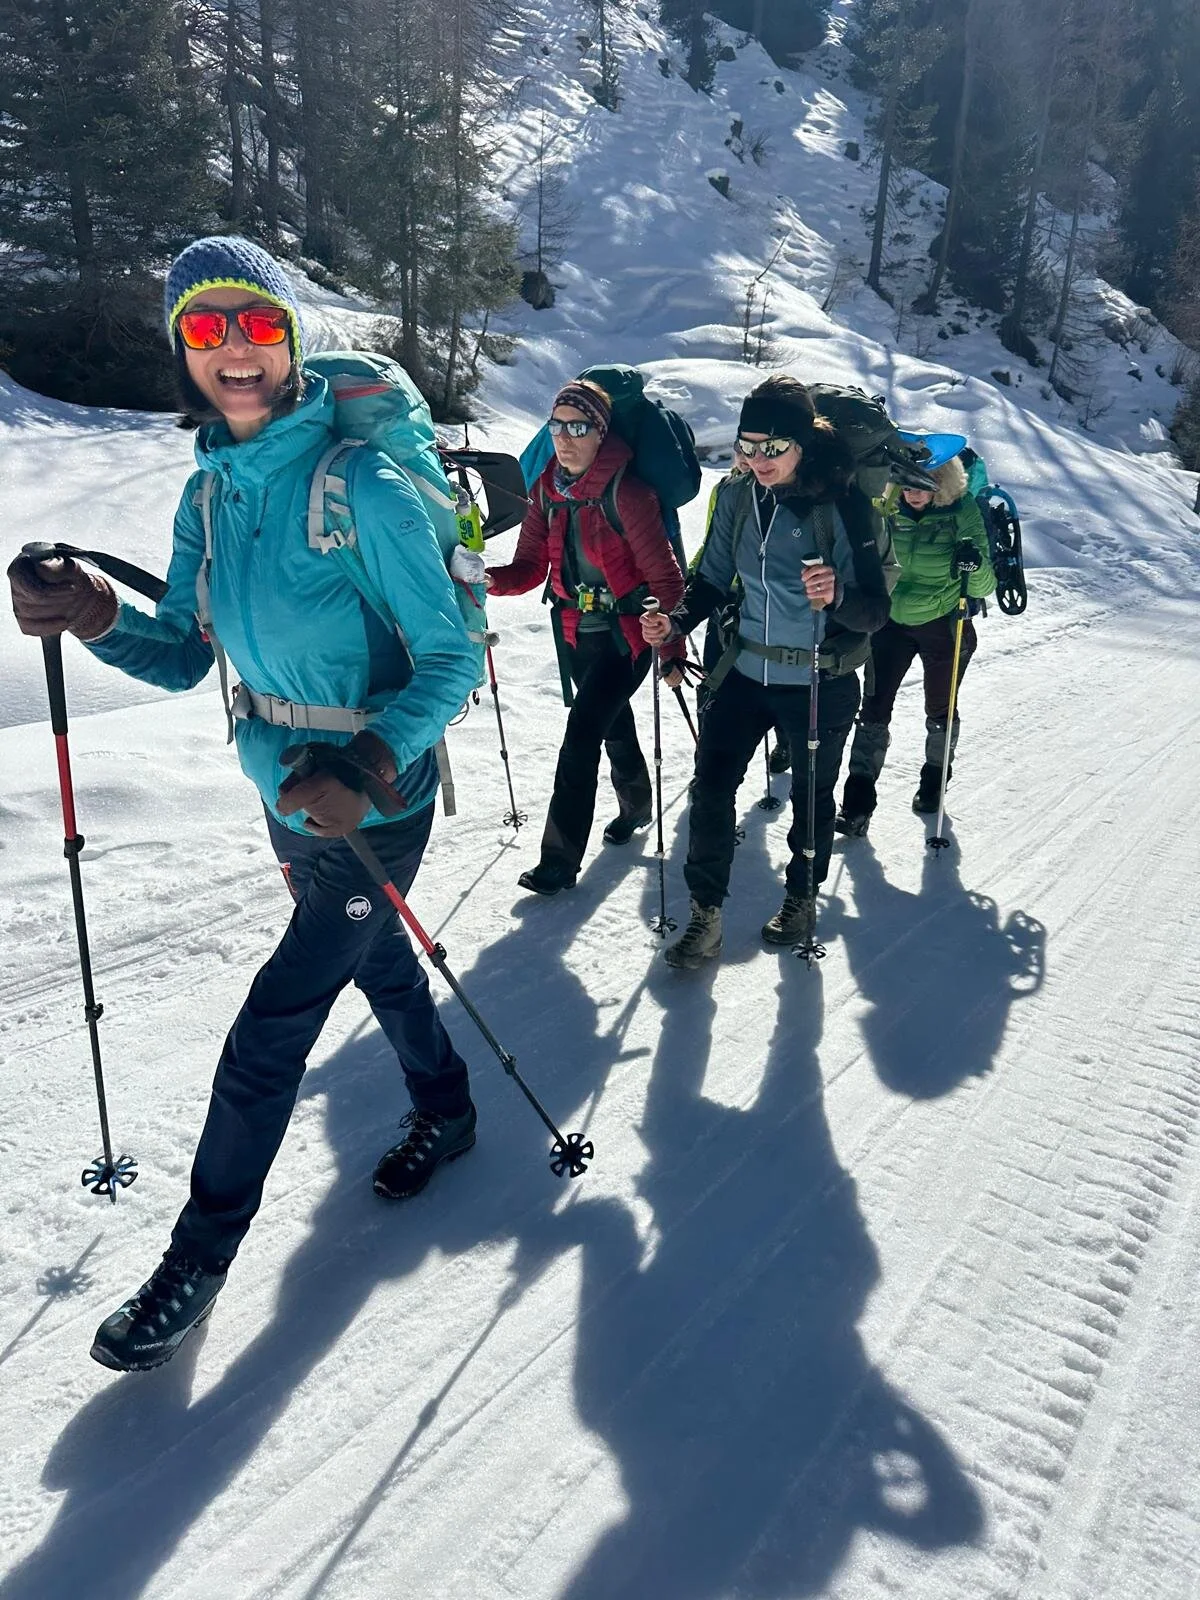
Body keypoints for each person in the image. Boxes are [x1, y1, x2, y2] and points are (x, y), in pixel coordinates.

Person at [7, 236, 480, 1372]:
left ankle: (199, 1254)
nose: (234, 348)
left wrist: (365, 763)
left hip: (377, 799)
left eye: (256, 323)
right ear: (180, 345)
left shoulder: (358, 484)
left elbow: (450, 658)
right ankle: (449, 1106)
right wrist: (92, 615)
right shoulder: (209, 490)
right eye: (207, 327)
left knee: (273, 1028)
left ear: (291, 338)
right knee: (377, 963)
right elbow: (181, 656)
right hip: (284, 796)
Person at [641, 374, 889, 968]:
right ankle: (706, 915)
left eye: (771, 448)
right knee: (711, 787)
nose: (756, 460)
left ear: (803, 443)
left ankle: (801, 896)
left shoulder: (843, 502)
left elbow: (875, 609)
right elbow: (710, 579)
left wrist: (834, 596)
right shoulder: (734, 496)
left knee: (810, 796)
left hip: (818, 677)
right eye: (746, 446)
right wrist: (674, 623)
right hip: (745, 668)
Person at [486, 380, 685, 896]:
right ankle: (638, 803)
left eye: (579, 427)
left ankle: (558, 860)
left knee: (580, 740)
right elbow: (531, 566)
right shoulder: (547, 490)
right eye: (557, 426)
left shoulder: (631, 494)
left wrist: (671, 645)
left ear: (601, 431)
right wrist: (488, 579)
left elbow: (666, 582)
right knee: (612, 724)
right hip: (576, 633)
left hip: (627, 639)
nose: (566, 438)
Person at [836, 451, 995, 833]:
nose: (913, 494)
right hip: (890, 621)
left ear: (942, 485)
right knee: (873, 707)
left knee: (940, 709)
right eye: (906, 485)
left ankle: (933, 784)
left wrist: (973, 564)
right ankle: (857, 804)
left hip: (943, 620)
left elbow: (985, 584)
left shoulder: (961, 510)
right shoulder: (888, 509)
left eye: (922, 487)